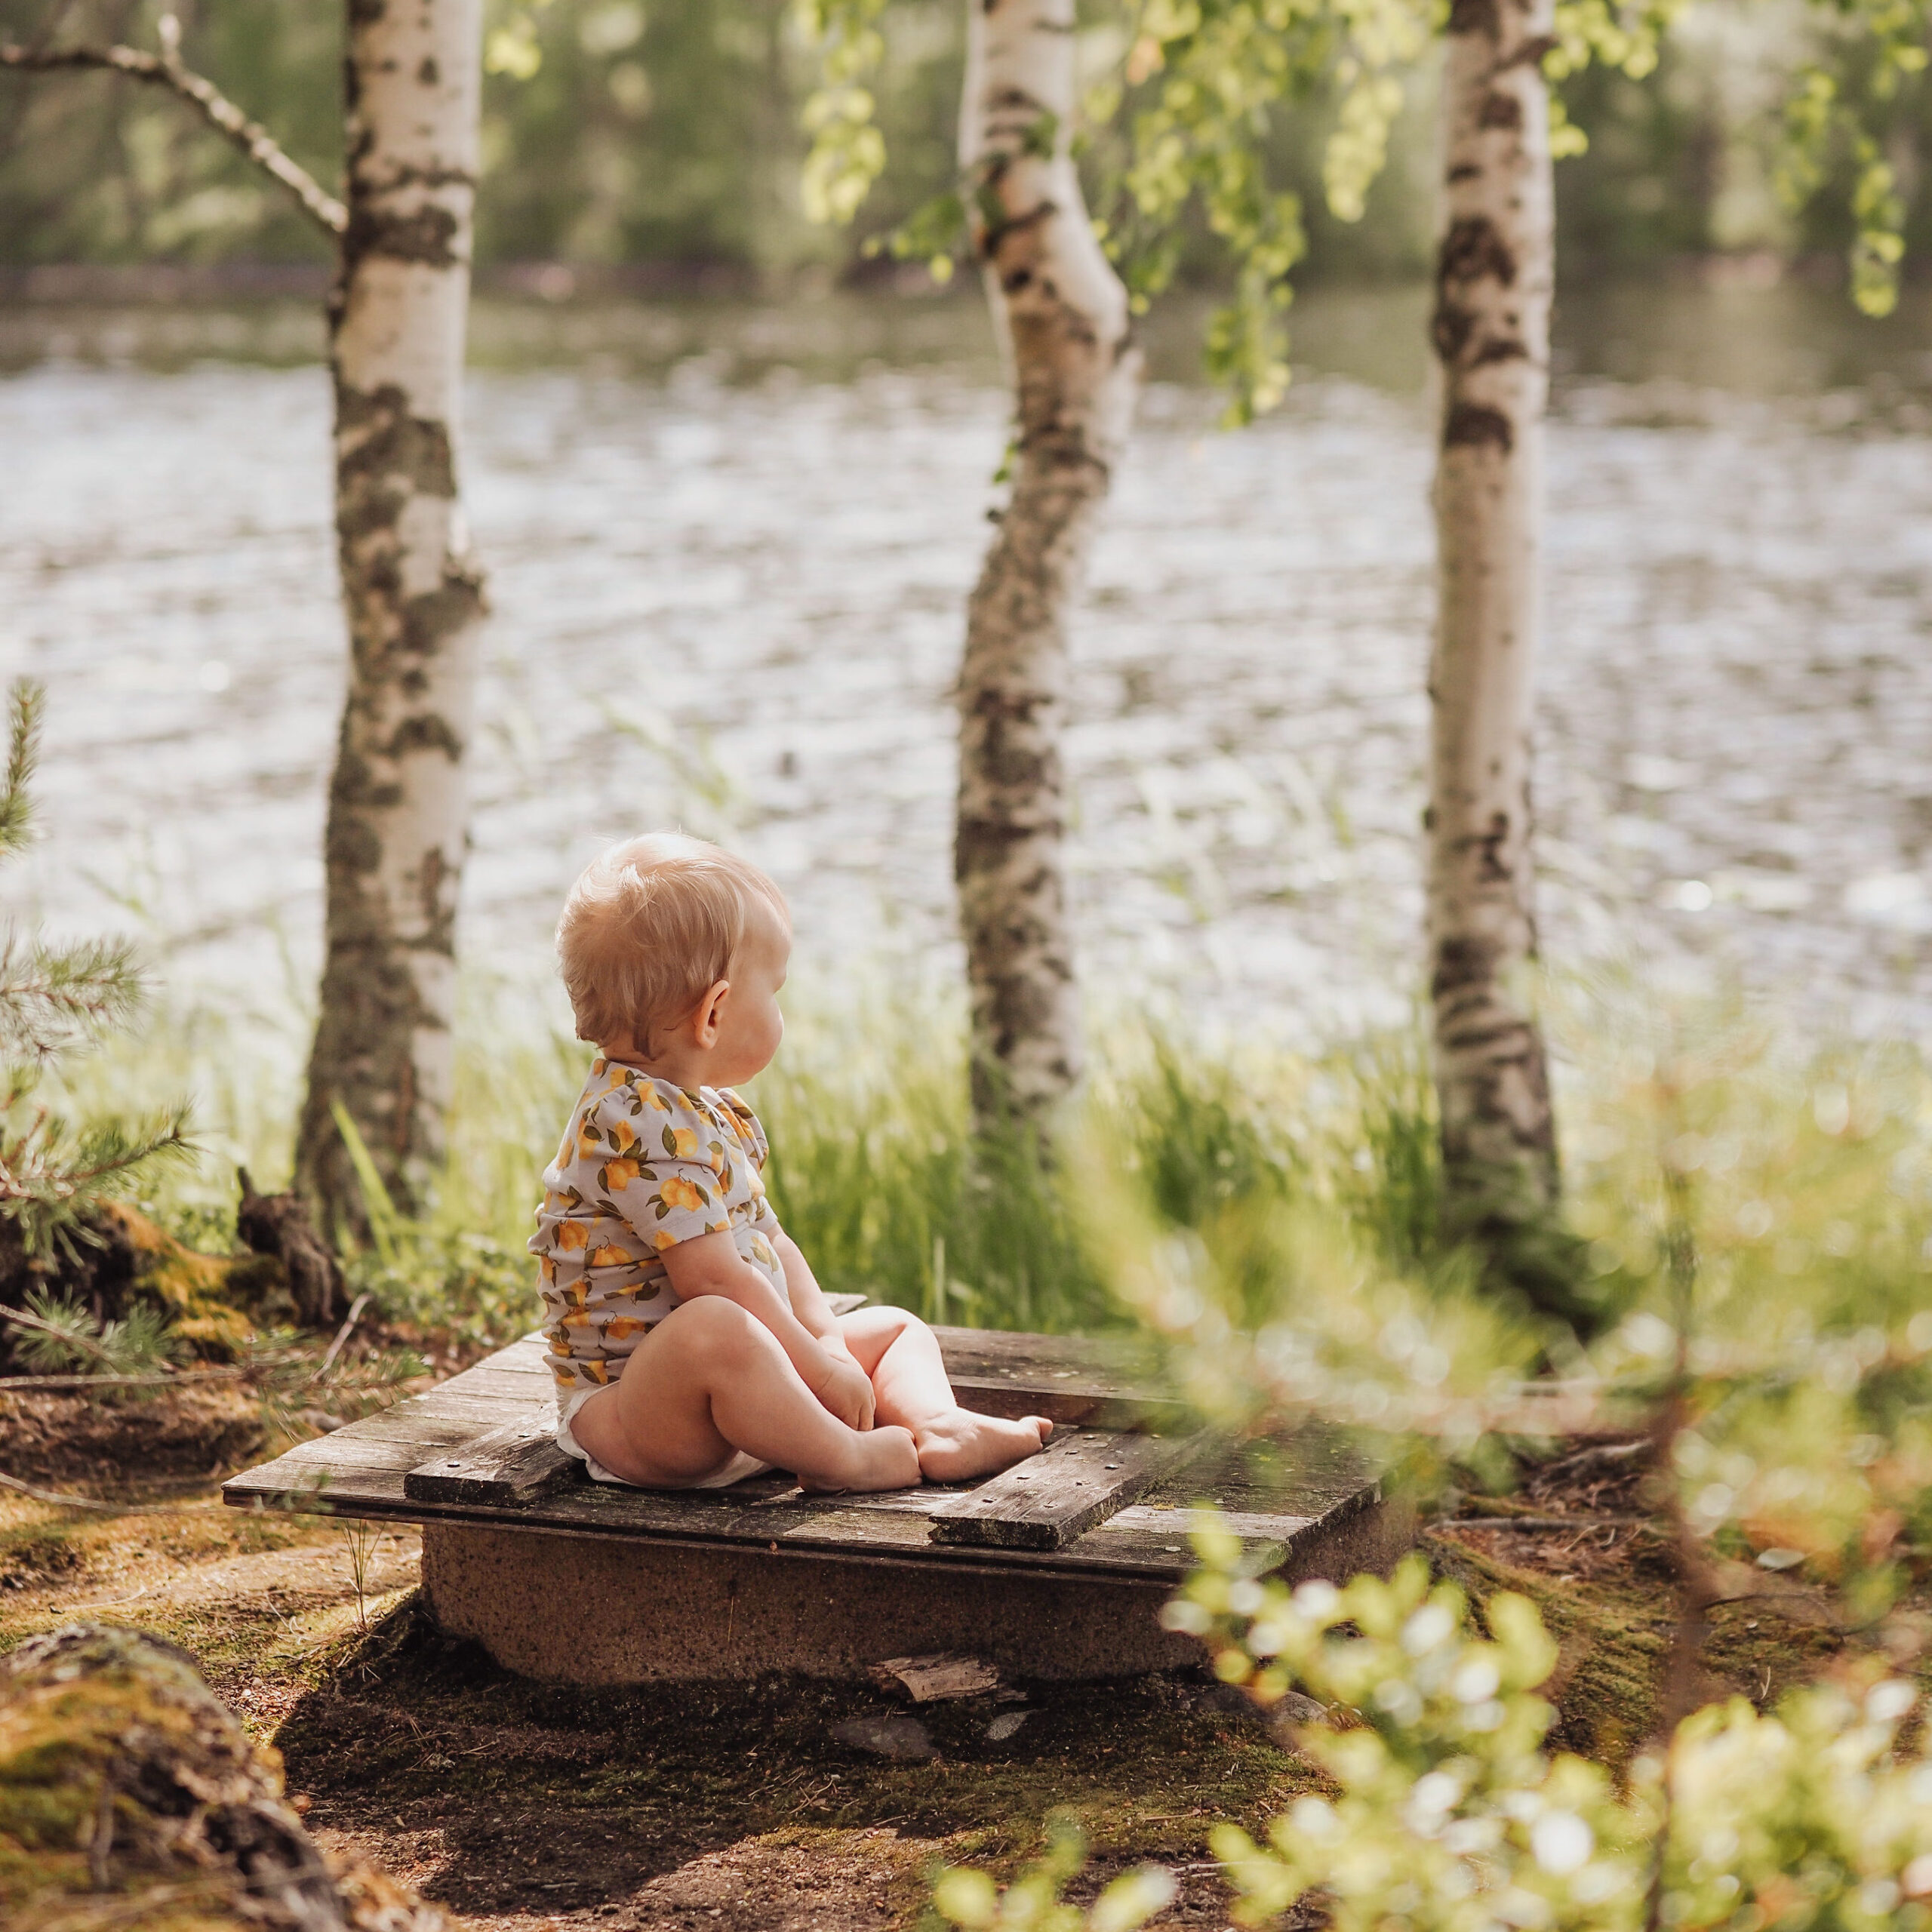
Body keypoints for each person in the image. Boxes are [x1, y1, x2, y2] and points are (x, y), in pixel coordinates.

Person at [530, 832, 1054, 1494]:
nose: (781, 1009)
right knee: (714, 1328)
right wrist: (813, 1362)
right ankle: (843, 1460)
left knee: (893, 1331)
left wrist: (826, 1347)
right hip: (644, 1417)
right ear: (715, 1014)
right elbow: (715, 1282)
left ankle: (938, 1424)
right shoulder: (627, 1124)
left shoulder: (702, 1112)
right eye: (773, 991)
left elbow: (771, 1240)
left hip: (748, 1386)